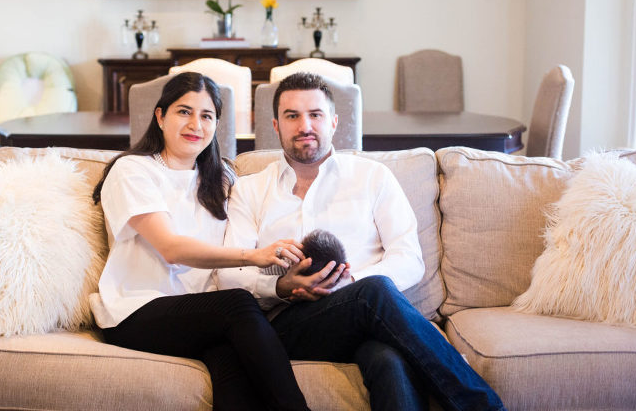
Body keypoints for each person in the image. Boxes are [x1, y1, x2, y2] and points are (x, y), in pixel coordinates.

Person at [217, 72, 506, 411]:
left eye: (315, 114)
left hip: (363, 319)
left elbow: (409, 257)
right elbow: (227, 275)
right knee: (376, 291)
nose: (304, 125)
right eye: (292, 116)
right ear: (276, 125)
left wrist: (349, 285)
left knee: (389, 361)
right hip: (287, 326)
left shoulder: (371, 177)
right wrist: (280, 286)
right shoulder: (250, 190)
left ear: (334, 122)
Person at [90, 71, 310, 411]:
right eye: (183, 111)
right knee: (238, 305)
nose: (196, 124)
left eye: (207, 115)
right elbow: (171, 248)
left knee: (232, 367)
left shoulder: (221, 179)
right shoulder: (134, 170)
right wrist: (254, 256)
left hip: (202, 315)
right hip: (136, 311)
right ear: (160, 116)